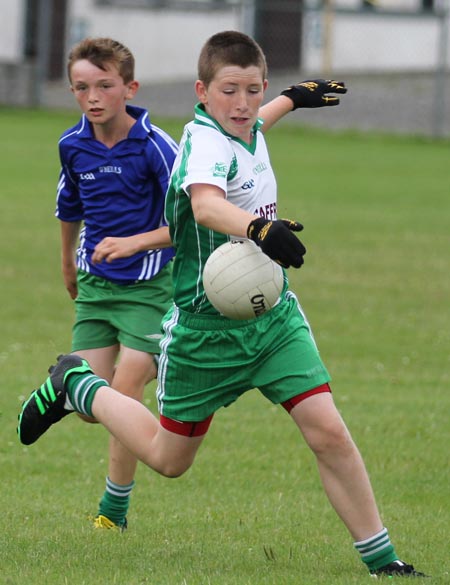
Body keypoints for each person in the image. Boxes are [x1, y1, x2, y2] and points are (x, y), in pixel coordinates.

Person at [18, 31, 425, 577]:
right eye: (229, 90)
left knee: (327, 430)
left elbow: (254, 126)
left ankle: (384, 562)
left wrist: (290, 98)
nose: (243, 103)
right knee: (168, 459)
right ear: (201, 92)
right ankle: (79, 385)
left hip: (273, 318)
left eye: (253, 90)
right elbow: (207, 206)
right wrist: (260, 228)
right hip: (204, 332)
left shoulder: (244, 122)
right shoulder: (202, 144)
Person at [55, 37, 177, 531]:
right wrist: (66, 262)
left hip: (150, 288)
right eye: (82, 88)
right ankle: (67, 380)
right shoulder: (72, 145)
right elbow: (69, 208)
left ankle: (113, 511)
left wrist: (136, 243)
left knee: (124, 392)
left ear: (130, 87)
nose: (93, 97)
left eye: (105, 86)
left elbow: (189, 221)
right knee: (91, 408)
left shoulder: (156, 146)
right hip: (96, 289)